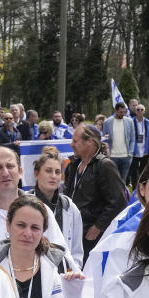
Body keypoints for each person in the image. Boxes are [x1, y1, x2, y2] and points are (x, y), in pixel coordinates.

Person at [0, 145, 71, 251]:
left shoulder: (42, 210)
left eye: (10, 166)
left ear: (20, 172)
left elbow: (60, 254)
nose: (5, 173)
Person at [63, 124, 128, 260]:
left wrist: (98, 226)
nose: (71, 144)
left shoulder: (104, 166)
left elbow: (119, 201)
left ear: (89, 141)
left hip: (90, 237)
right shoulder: (74, 165)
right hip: (71, 233)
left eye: (75, 141)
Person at [33, 146, 84, 266]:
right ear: (36, 173)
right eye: (48, 171)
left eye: (57, 172)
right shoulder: (24, 203)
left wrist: (73, 270)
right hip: (33, 273)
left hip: (64, 276)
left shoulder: (69, 207)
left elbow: (77, 250)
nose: (53, 176)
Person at [103, 102, 136, 184]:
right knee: (113, 181)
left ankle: (122, 197)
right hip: (112, 157)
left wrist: (130, 153)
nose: (123, 114)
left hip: (126, 156)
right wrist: (106, 138)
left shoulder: (129, 121)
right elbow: (104, 139)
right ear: (116, 111)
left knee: (123, 182)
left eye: (124, 112)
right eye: (121, 112)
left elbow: (132, 138)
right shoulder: (107, 122)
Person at [128, 104, 149, 188]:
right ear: (135, 111)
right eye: (138, 110)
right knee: (133, 171)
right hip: (134, 151)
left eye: (141, 109)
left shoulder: (148, 122)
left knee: (143, 171)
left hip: (145, 151)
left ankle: (142, 187)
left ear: (144, 111)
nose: (140, 111)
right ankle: (134, 188)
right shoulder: (131, 122)